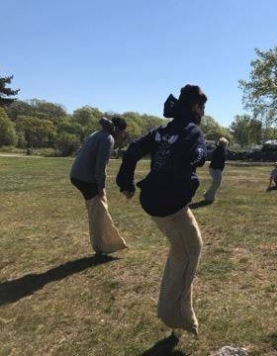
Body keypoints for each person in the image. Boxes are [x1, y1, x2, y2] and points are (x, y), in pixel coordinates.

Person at [116, 85, 207, 336]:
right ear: (195, 107)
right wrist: (191, 165)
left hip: (153, 200)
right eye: (202, 107)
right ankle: (176, 315)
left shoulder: (162, 131)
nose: (203, 111)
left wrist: (126, 182)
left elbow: (134, 149)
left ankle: (178, 312)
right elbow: (198, 155)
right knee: (189, 252)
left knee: (182, 250)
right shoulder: (192, 131)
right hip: (170, 205)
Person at [70, 116, 128, 256]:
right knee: (98, 213)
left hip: (77, 176)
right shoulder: (107, 138)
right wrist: (101, 188)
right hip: (86, 179)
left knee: (97, 211)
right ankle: (102, 248)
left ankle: (104, 245)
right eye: (123, 131)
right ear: (117, 129)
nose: (123, 134)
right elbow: (101, 166)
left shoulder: (97, 134)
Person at [203, 137, 228, 202]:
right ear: (224, 144)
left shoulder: (218, 150)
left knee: (216, 183)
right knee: (216, 183)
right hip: (215, 169)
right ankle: (207, 195)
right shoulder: (221, 150)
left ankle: (211, 197)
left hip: (215, 168)